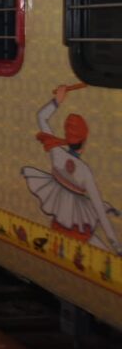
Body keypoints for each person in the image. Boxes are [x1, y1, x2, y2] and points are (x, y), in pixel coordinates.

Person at [22, 85, 121, 253]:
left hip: (58, 226)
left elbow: (41, 117)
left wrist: (57, 100)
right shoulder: (84, 171)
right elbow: (100, 213)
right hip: (79, 230)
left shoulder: (56, 153)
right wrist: (116, 246)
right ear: (84, 141)